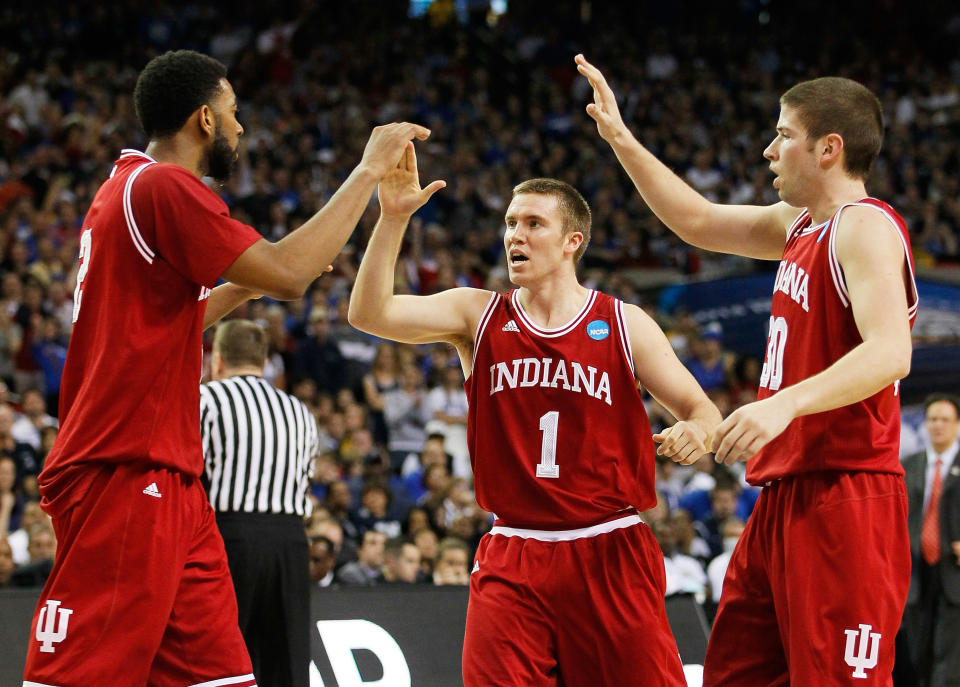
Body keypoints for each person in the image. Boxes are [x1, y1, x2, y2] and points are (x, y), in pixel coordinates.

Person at [23, 49, 432, 687]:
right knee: (80, 675)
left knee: (219, 675)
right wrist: (367, 170)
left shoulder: (126, 188)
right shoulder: (161, 185)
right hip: (124, 468)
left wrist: (244, 288)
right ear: (205, 120)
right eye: (234, 112)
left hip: (174, 480)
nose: (241, 127)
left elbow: (170, 324)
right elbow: (293, 273)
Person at [577, 54, 917, 685]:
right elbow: (697, 221)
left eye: (784, 134)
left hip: (847, 491)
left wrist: (782, 402)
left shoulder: (864, 226)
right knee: (736, 675)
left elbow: (890, 352)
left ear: (828, 148)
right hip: (782, 496)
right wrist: (620, 138)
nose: (768, 150)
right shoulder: (800, 226)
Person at [348, 143, 721, 685]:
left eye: (532, 224)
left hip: (608, 544)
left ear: (572, 242)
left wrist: (698, 432)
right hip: (514, 546)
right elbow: (369, 313)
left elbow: (701, 409)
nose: (514, 235)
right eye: (509, 223)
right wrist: (393, 217)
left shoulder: (623, 323)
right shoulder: (477, 313)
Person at [199, 319, 319, 687]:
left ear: (216, 360)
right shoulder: (299, 411)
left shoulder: (205, 399)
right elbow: (306, 478)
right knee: (286, 664)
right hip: (291, 543)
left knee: (218, 660)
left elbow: (188, 474)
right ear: (265, 361)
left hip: (230, 537)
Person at [901, 394, 960, 687]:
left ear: (957, 425)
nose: (938, 425)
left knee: (949, 658)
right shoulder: (907, 465)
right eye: (933, 419)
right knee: (917, 651)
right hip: (915, 569)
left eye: (945, 420)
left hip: (955, 571)